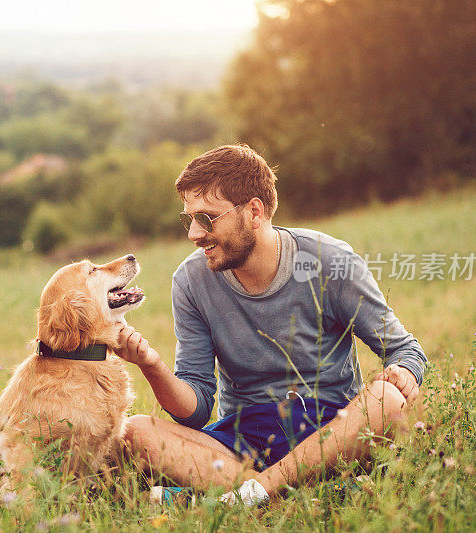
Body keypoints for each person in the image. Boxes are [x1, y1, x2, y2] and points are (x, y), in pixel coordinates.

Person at [113, 144, 426, 505]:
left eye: (207, 218)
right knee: (135, 431)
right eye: (189, 220)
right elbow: (196, 411)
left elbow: (405, 350)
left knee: (387, 400)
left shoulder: (330, 261)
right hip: (242, 439)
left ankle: (237, 497)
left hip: (329, 429)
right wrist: (151, 365)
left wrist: (404, 371)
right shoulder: (190, 281)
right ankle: (296, 494)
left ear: (255, 212)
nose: (193, 235)